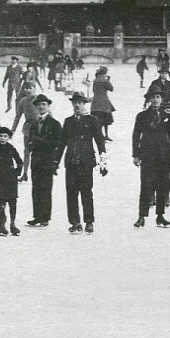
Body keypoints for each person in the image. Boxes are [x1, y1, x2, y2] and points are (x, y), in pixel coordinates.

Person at [131, 94, 170, 227]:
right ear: (149, 100)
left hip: (163, 156)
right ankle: (141, 216)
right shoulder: (142, 116)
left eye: (158, 97)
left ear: (161, 99)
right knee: (146, 186)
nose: (155, 100)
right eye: (153, 97)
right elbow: (136, 136)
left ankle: (160, 216)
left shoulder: (167, 116)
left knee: (162, 186)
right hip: (147, 156)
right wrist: (136, 155)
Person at [61, 93, 106, 233]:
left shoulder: (92, 120)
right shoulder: (68, 121)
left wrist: (103, 162)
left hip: (86, 162)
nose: (77, 105)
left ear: (84, 104)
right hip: (71, 162)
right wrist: (55, 161)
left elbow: (100, 142)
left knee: (86, 192)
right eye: (75, 102)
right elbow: (62, 143)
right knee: (71, 194)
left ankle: (89, 222)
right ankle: (75, 222)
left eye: (80, 102)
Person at [21, 94, 64, 227]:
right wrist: (30, 145)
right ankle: (37, 216)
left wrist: (43, 142)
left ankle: (45, 217)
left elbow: (58, 143)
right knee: (36, 189)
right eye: (39, 105)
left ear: (48, 106)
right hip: (36, 160)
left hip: (47, 160)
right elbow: (30, 140)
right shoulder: (34, 124)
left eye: (44, 104)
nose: (41, 107)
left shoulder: (54, 124)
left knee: (45, 189)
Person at [0, 124, 24, 236]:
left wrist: (17, 173)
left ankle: (13, 224)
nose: (2, 138)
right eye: (0, 136)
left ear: (8, 137)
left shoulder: (11, 148)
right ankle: (1, 225)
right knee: (1, 202)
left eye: (5, 136)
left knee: (12, 202)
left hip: (11, 180)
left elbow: (19, 162)